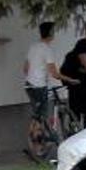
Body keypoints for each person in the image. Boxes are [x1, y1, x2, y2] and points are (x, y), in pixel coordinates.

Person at [23, 22, 78, 151]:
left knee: (38, 114)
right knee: (41, 114)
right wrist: (70, 80)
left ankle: (37, 143)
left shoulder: (33, 47)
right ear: (51, 33)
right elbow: (54, 73)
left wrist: (33, 75)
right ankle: (37, 144)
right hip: (38, 86)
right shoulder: (46, 49)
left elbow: (25, 68)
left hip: (29, 85)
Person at [61, 23, 86, 128]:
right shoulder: (81, 44)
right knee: (76, 107)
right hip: (75, 76)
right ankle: (74, 129)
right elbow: (85, 62)